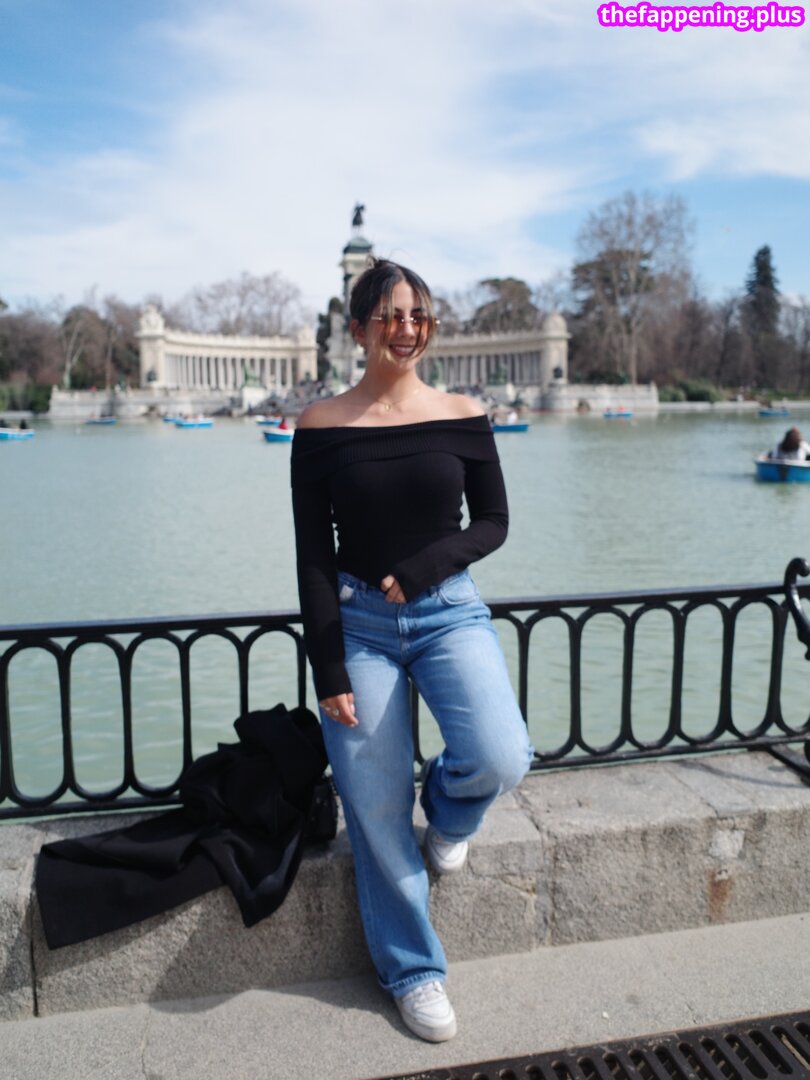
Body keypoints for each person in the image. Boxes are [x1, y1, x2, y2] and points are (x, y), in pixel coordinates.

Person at [290, 258, 533, 1043]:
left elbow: (493, 522)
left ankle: (451, 816)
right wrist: (328, 665)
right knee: (374, 799)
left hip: (448, 611)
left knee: (502, 754)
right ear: (358, 328)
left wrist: (428, 566)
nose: (406, 329)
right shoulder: (320, 425)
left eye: (419, 316)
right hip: (358, 624)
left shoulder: (464, 413)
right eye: (390, 315)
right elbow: (313, 556)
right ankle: (413, 970)